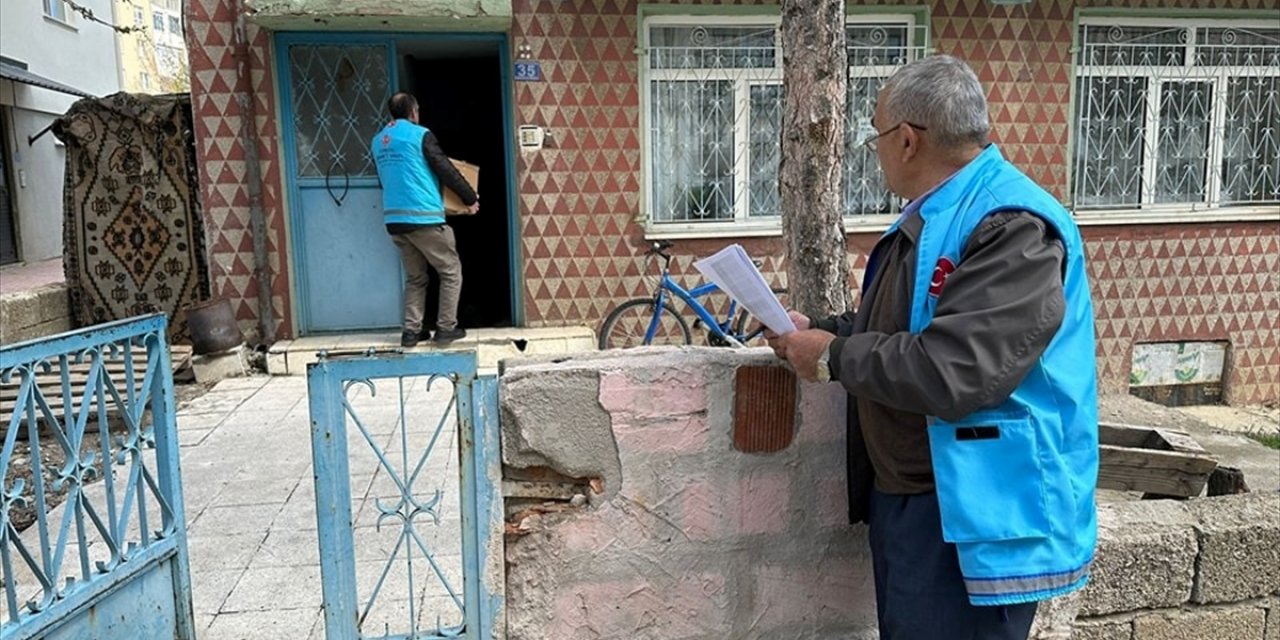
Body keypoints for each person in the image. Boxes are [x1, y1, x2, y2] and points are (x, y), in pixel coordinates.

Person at [768, 55, 1098, 640]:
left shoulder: (1010, 225)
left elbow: (955, 371)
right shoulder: (937, 215)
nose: (876, 152)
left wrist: (833, 356)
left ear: (908, 140)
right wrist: (817, 329)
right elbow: (908, 329)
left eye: (876, 136)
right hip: (922, 502)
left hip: (973, 512)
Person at [371, 92, 479, 348]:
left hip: (395, 221)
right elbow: (445, 168)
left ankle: (411, 332)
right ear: (414, 111)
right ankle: (445, 329)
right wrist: (469, 197)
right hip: (424, 218)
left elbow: (382, 179)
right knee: (451, 271)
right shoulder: (420, 135)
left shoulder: (378, 142)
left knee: (415, 277)